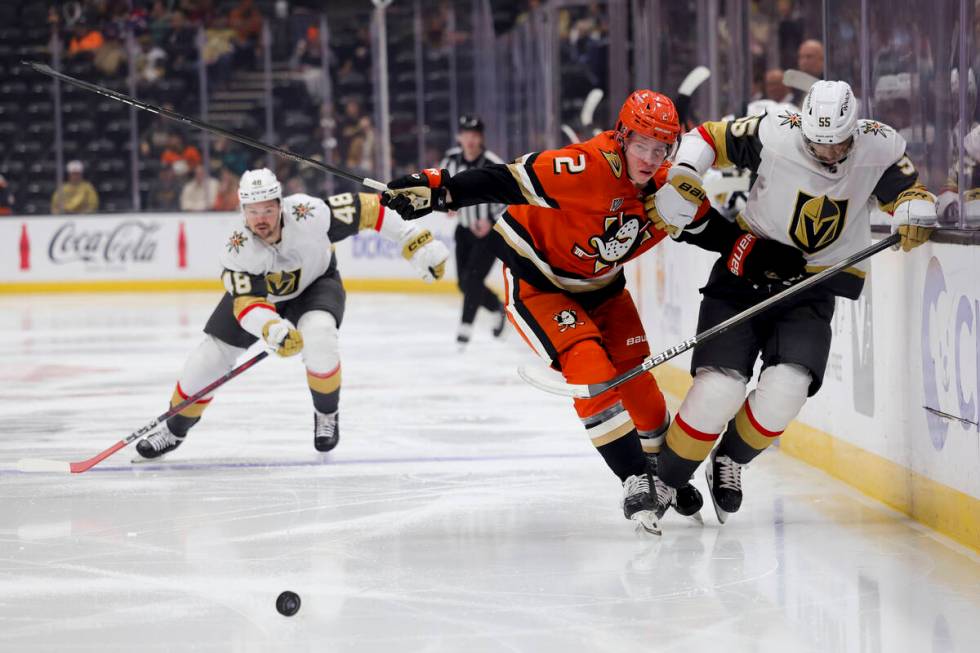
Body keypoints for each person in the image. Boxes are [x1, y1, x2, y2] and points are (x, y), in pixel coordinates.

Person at [380, 91, 789, 534]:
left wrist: (773, 260)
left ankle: (662, 474)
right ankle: (634, 478)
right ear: (622, 136)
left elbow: (718, 235)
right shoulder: (586, 166)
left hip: (603, 289)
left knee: (643, 394)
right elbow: (505, 180)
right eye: (641, 145)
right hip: (539, 282)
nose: (650, 158)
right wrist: (439, 189)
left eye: (661, 147)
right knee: (591, 368)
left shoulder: (673, 189)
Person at [650, 80, 936, 529]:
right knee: (718, 391)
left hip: (811, 286)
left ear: (854, 131)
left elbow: (910, 192)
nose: (827, 154)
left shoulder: (879, 144)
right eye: (817, 144)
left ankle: (730, 458)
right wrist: (684, 174)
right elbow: (706, 137)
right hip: (745, 273)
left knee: (787, 389)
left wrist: (911, 213)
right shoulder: (774, 133)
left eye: (837, 144)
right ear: (802, 126)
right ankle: (664, 480)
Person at [133, 168, 449, 459]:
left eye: (268, 209)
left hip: (316, 284)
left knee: (320, 336)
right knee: (208, 360)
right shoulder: (236, 248)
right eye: (253, 211)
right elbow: (245, 304)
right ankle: (174, 429)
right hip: (262, 302)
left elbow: (372, 209)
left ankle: (326, 414)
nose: (261, 219)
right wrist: (271, 329)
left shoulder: (307, 213)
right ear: (242, 210)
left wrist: (416, 241)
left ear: (280, 205)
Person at [439, 114, 507, 348]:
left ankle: (465, 327)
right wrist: (446, 203)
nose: (470, 139)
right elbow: (441, 187)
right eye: (466, 134)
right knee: (463, 284)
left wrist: (489, 219)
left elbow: (509, 197)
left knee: (475, 278)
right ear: (460, 137)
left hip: (489, 234)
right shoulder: (450, 159)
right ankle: (498, 306)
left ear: (481, 138)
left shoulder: (492, 162)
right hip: (464, 229)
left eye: (475, 135)